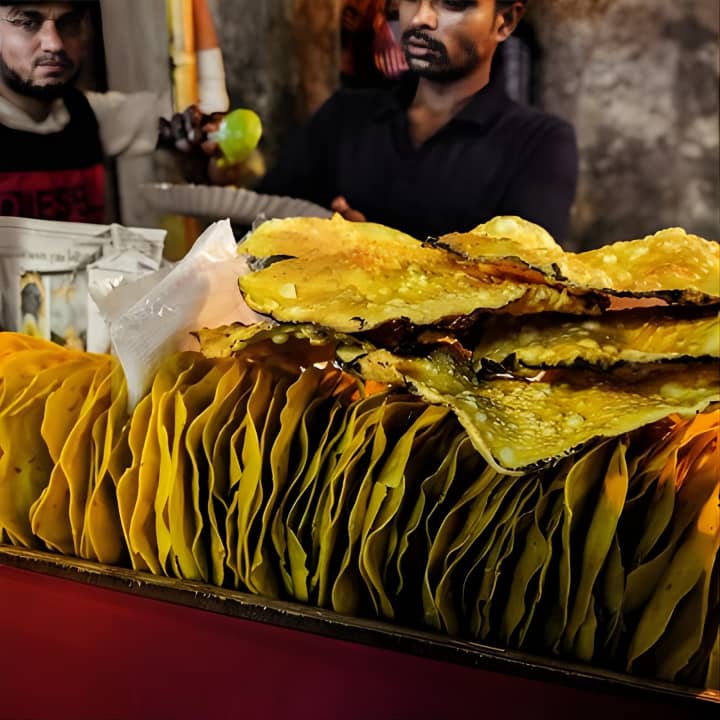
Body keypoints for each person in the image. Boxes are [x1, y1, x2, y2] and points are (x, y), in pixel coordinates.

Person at [257, 0, 578, 245]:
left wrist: (373, 249)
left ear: (504, 22)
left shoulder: (539, 143)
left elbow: (524, 286)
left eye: (452, 3)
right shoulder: (345, 116)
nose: (420, 18)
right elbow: (257, 223)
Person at [0, 1, 220, 223]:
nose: (55, 44)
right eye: (28, 23)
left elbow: (205, 107)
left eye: (70, 23)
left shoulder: (89, 115)